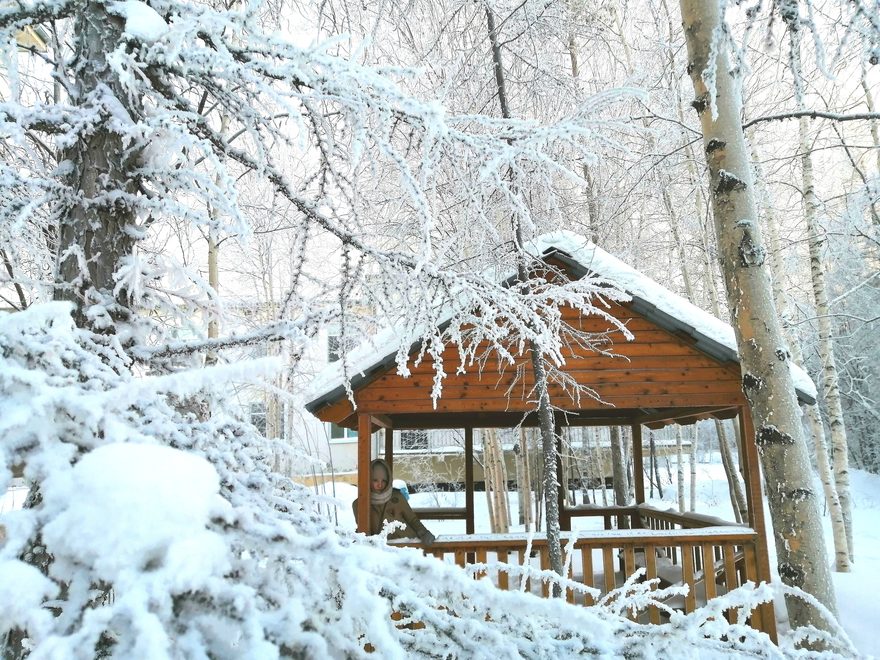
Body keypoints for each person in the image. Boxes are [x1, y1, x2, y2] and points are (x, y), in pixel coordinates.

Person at [352, 458, 435, 546]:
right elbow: (363, 530)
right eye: (375, 480)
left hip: (406, 546)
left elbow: (412, 520)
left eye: (384, 481)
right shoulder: (359, 504)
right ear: (368, 479)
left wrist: (425, 533)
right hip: (381, 551)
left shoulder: (397, 497)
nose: (380, 484)